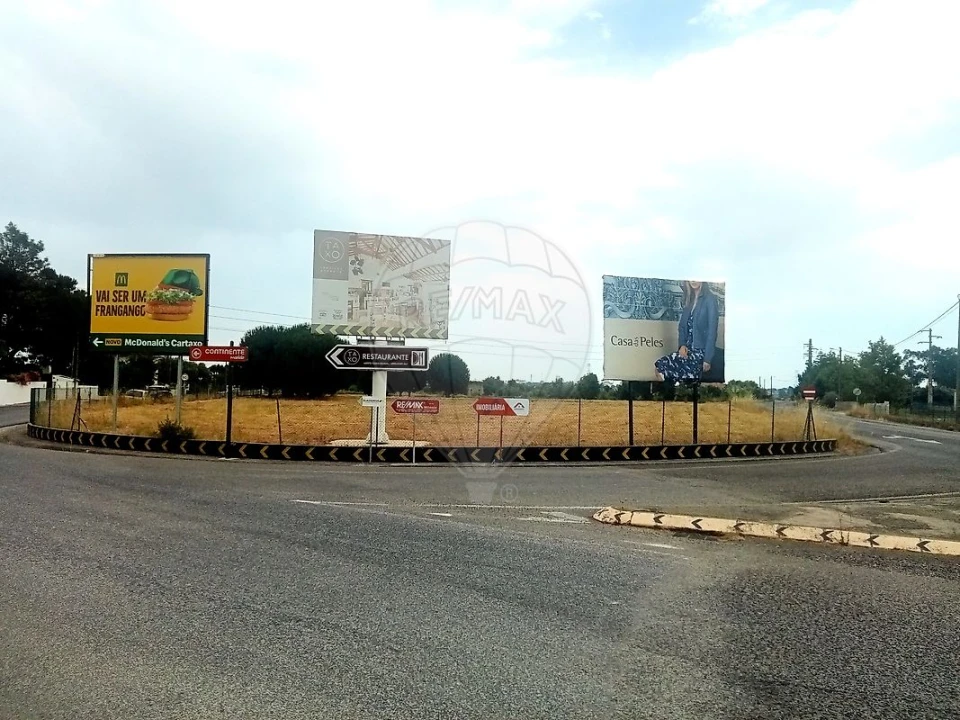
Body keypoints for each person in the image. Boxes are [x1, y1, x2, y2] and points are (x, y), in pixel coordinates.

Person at [654, 280, 719, 383]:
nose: (694, 281)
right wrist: (682, 345)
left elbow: (712, 331)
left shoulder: (710, 299)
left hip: (700, 352)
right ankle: (673, 395)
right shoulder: (689, 299)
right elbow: (682, 327)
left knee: (676, 377)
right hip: (686, 351)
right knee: (660, 366)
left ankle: (678, 394)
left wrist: (707, 359)